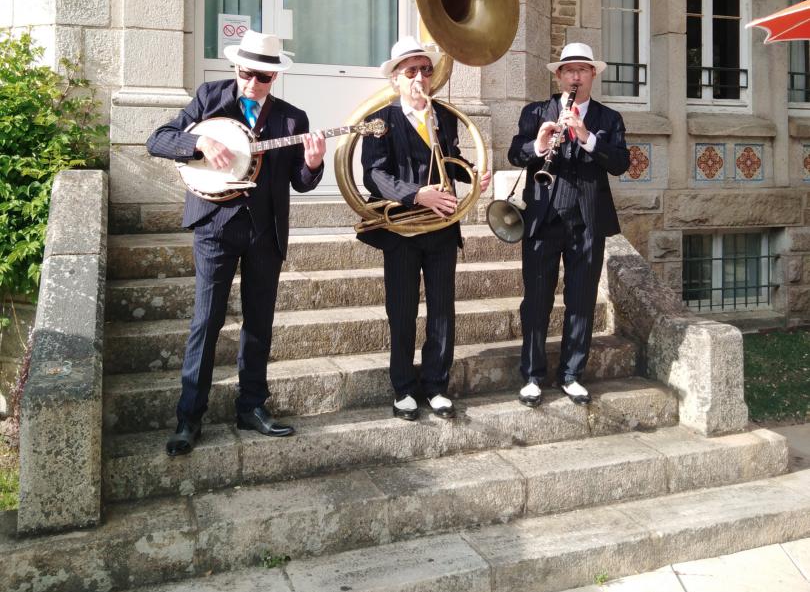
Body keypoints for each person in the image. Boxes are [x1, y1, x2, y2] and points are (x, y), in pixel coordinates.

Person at [146, 30, 326, 456]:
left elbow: (299, 182)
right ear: (235, 68)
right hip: (215, 226)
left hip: (265, 230)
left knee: (259, 323)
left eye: (262, 76)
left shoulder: (290, 119)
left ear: (274, 77)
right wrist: (199, 142)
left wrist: (314, 163)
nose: (252, 83)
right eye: (246, 73)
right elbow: (157, 139)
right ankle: (189, 416)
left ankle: (251, 406)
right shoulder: (209, 98)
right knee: (206, 321)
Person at [358, 36, 491, 421]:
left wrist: (470, 178)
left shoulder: (443, 116)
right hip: (401, 228)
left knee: (442, 311)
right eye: (411, 71)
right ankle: (403, 388)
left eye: (425, 70)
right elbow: (375, 175)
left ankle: (436, 385)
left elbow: (449, 161)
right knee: (401, 310)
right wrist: (417, 195)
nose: (420, 77)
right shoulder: (379, 121)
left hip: (442, 229)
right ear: (396, 79)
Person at [507, 42, 629, 407]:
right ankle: (532, 375)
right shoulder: (535, 113)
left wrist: (587, 138)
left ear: (593, 75)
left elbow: (621, 163)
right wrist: (539, 146)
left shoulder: (608, 120)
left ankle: (572, 374)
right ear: (559, 75)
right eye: (569, 69)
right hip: (543, 218)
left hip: (587, 220)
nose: (576, 75)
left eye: (583, 69)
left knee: (581, 299)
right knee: (536, 300)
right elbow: (515, 153)